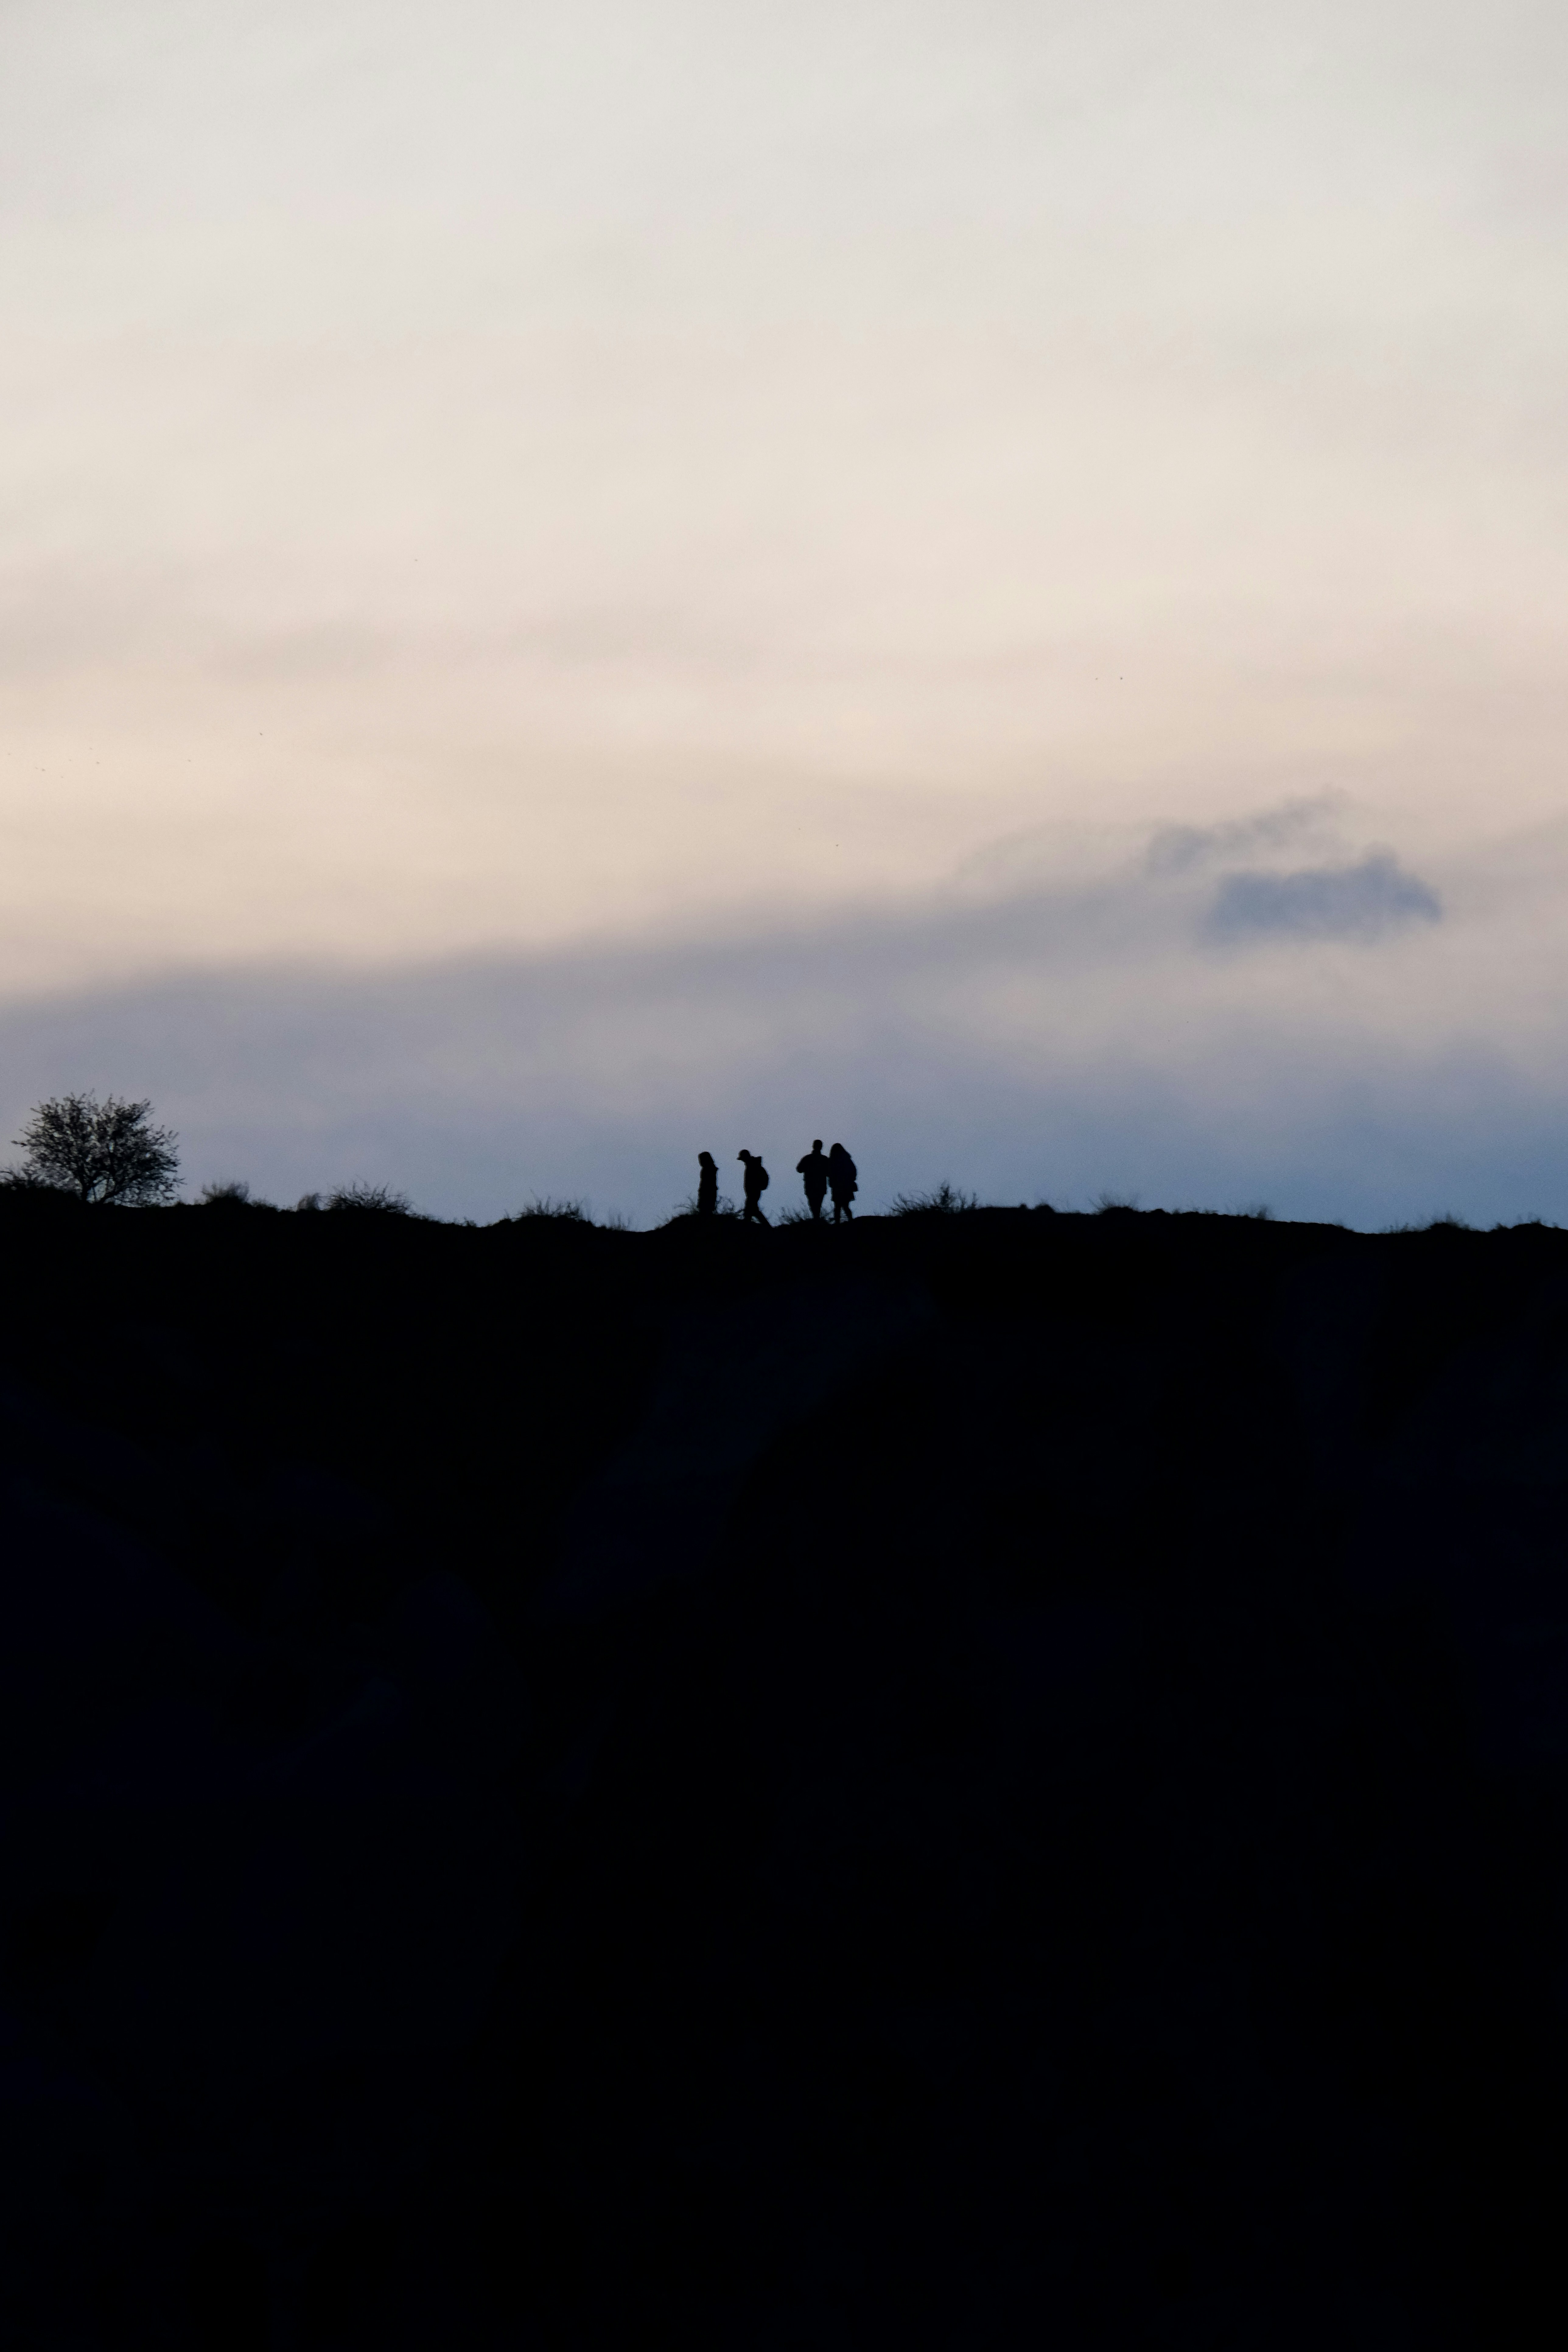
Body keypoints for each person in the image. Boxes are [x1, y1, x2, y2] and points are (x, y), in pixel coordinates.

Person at [796, 1139, 830, 1221]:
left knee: (813, 1204)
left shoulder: (808, 1158)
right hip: (821, 1186)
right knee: (818, 1205)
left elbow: (799, 1169)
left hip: (810, 1185)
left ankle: (816, 1220)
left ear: (813, 1146)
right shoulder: (824, 1159)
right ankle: (817, 1219)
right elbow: (830, 1172)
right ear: (821, 1147)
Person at [737, 1150, 771, 1226]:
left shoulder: (753, 1166)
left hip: (754, 1193)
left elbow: (752, 1182)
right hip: (753, 1193)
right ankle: (766, 1227)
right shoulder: (752, 1166)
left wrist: (755, 1189)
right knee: (754, 1210)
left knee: (750, 1210)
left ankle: (748, 1226)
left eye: (743, 1159)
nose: (743, 1161)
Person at [828, 1142, 857, 1223]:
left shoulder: (833, 1161)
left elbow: (829, 1173)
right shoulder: (847, 1160)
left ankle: (838, 1222)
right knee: (845, 1205)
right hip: (846, 1186)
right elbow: (854, 1172)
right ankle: (850, 1221)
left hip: (838, 1187)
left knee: (838, 1206)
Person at [696, 1151, 718, 1217]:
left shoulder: (709, 1169)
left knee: (706, 1210)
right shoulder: (709, 1169)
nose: (700, 1162)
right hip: (707, 1191)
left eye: (701, 1160)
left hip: (707, 1192)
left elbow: (707, 1183)